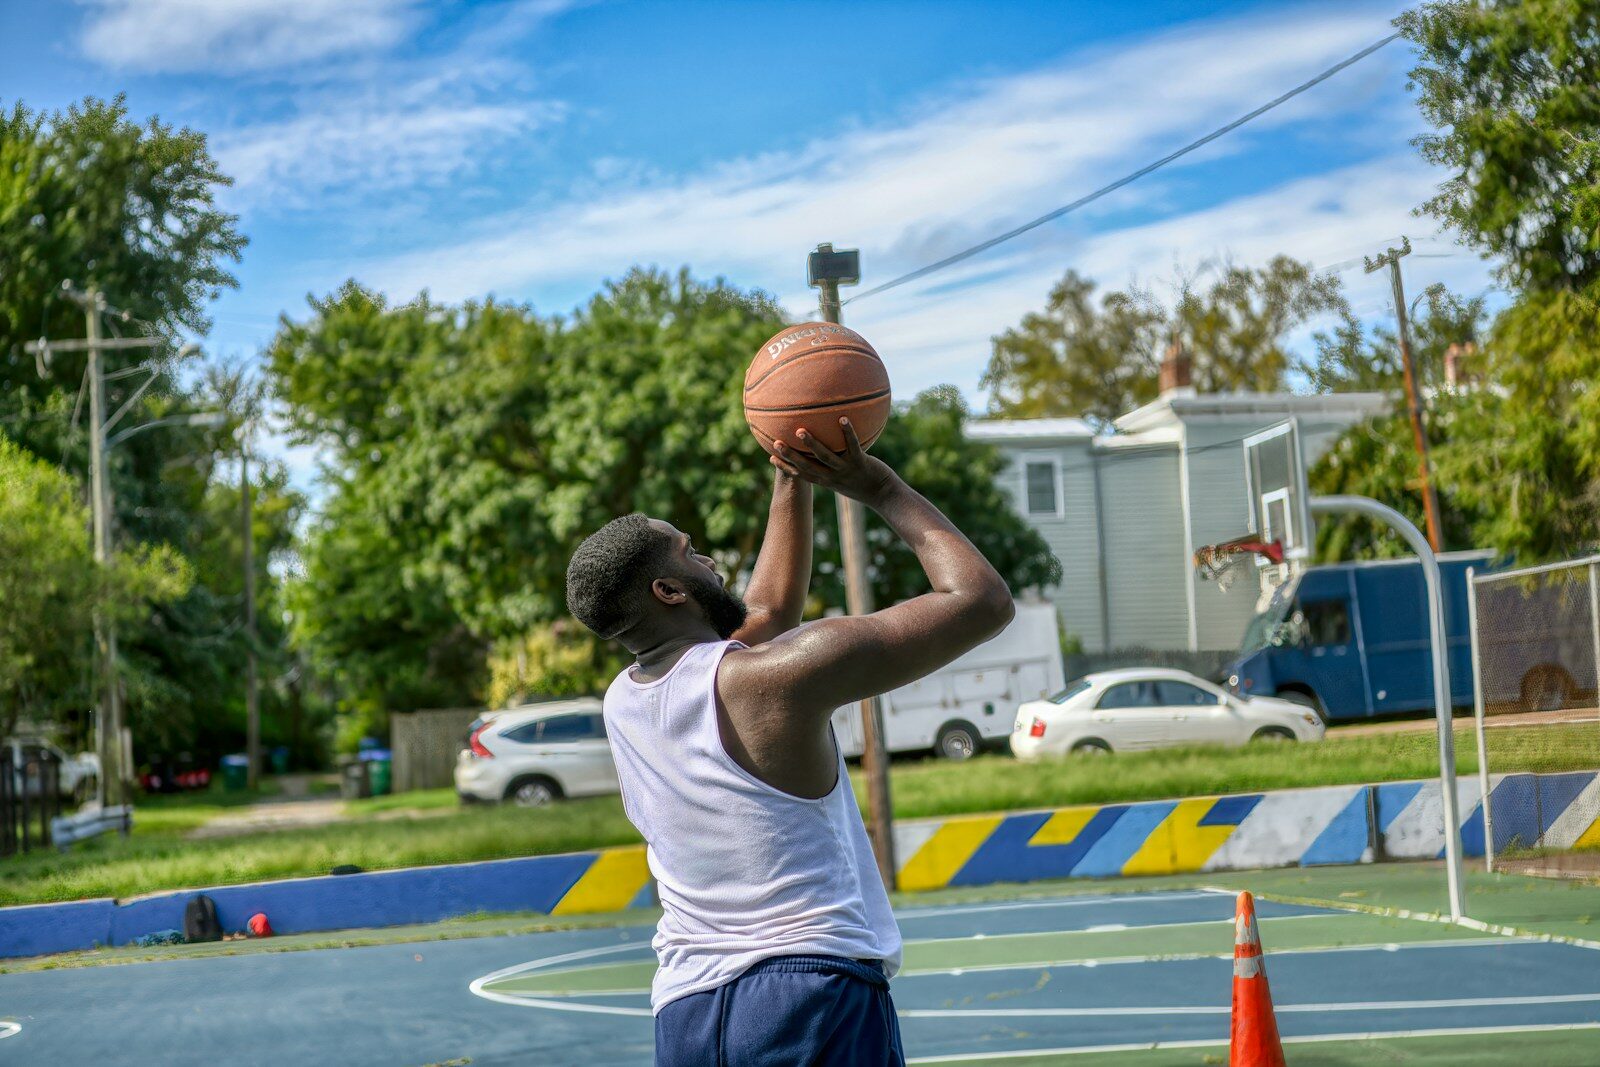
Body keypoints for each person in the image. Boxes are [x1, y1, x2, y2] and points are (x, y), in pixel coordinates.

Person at [565, 418, 1015, 1066]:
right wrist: (878, 486)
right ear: (668, 590)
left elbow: (768, 614)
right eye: (691, 553)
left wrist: (791, 476)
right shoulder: (773, 679)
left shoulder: (624, 701)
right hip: (809, 991)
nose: (710, 559)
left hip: (687, 1010)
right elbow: (981, 600)